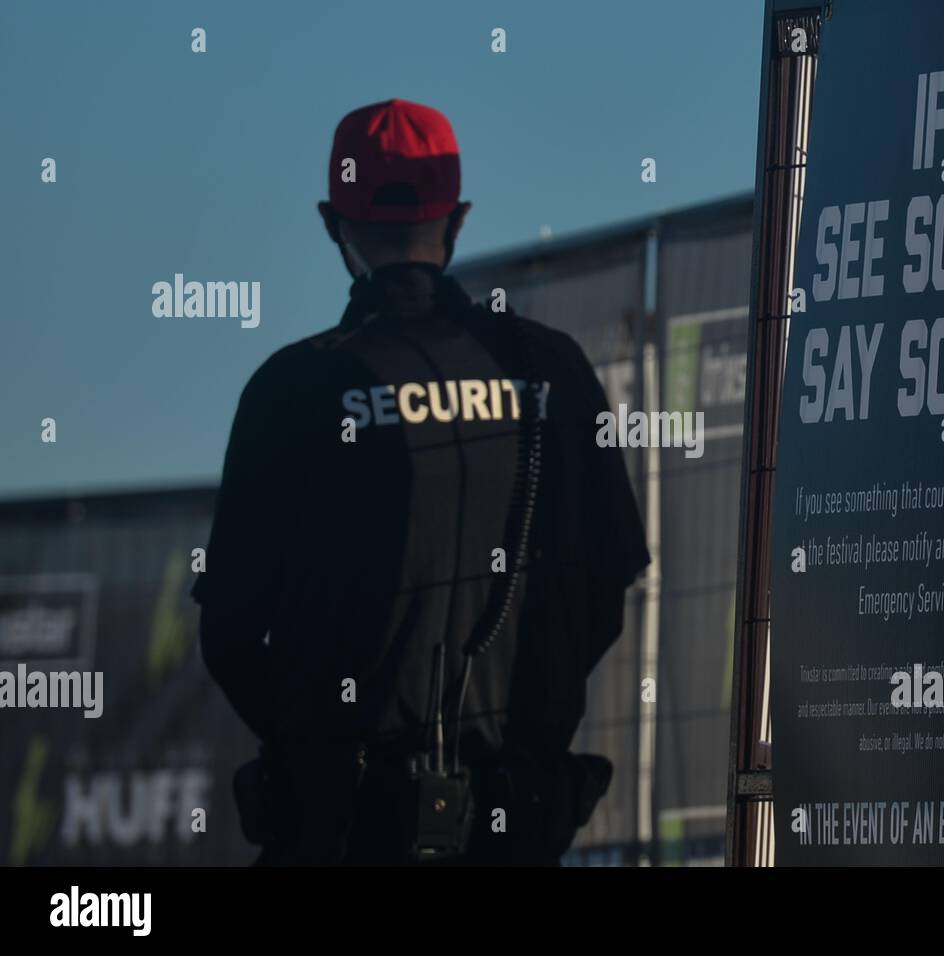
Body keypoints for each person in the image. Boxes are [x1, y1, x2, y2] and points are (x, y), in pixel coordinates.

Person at [192, 99, 650, 865]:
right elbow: (606, 596)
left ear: (332, 222)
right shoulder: (551, 371)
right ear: (459, 217)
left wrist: (322, 751)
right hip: (510, 829)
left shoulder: (295, 386)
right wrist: (519, 735)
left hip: (340, 834)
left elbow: (230, 635)